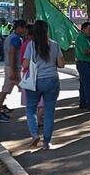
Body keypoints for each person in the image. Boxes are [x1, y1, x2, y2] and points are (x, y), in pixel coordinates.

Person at [22, 20, 65, 149]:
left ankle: (35, 134)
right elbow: (62, 64)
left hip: (35, 81)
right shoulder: (54, 45)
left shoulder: (31, 45)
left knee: (30, 109)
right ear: (47, 30)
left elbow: (25, 64)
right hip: (52, 80)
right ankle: (47, 142)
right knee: (49, 112)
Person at [0, 19, 27, 120]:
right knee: (25, 89)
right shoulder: (16, 39)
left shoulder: (10, 37)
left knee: (5, 90)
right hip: (13, 68)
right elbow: (12, 54)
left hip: (10, 66)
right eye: (24, 28)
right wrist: (13, 70)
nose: (25, 30)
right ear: (19, 28)